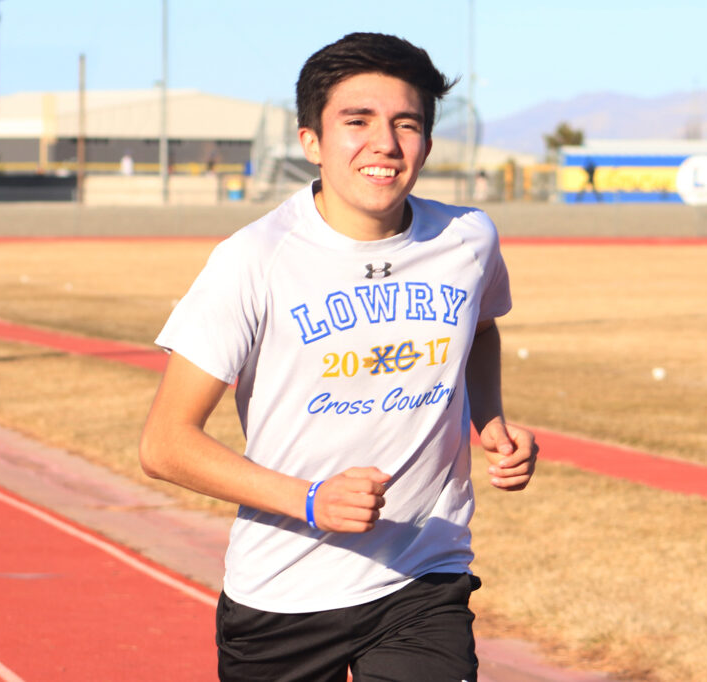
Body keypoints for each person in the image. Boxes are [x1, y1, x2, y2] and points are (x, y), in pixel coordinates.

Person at [139, 32, 537, 682]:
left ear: (427, 145)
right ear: (312, 142)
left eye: (405, 124)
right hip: (282, 595)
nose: (384, 143)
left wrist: (488, 419)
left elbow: (482, 328)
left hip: (423, 576)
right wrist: (311, 498)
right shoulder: (254, 259)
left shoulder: (468, 240)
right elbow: (164, 444)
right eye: (358, 122)